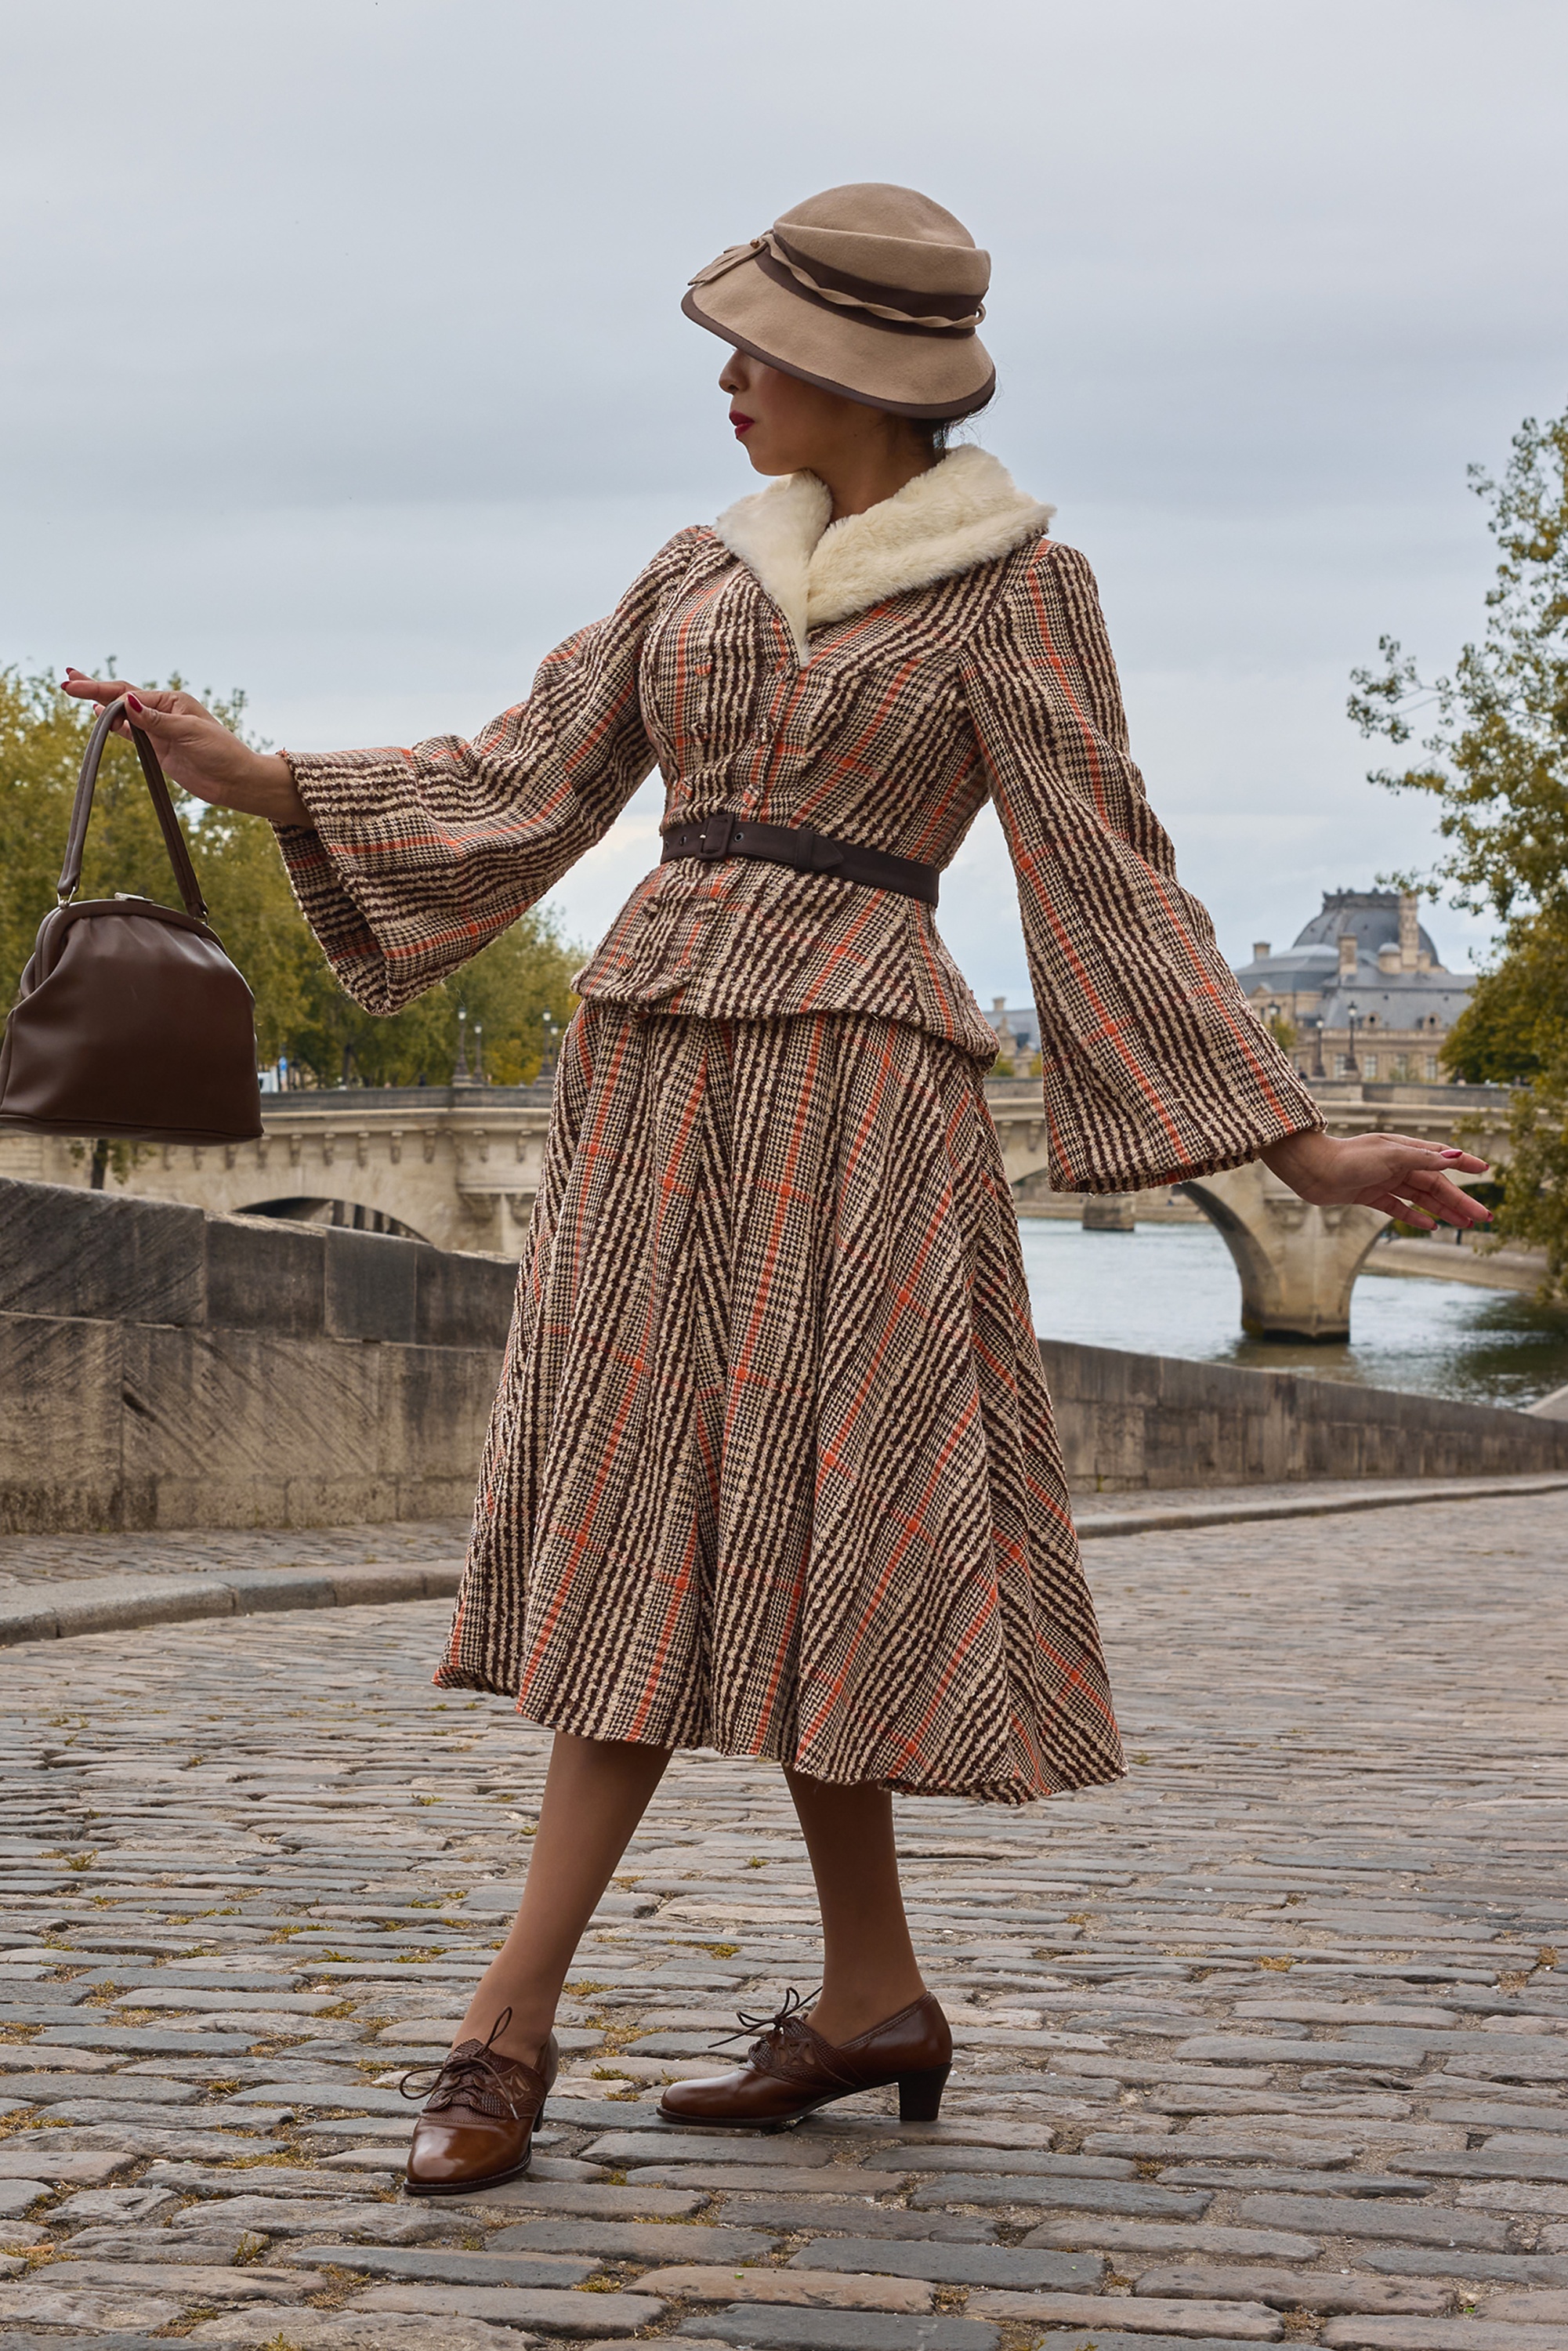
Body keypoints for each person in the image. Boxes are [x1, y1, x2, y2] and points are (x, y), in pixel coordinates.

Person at [64, 181, 1491, 2193]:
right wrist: (249, 772)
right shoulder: (694, 571)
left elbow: (1104, 877)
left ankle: (506, 2029)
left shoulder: (1016, 591)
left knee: (827, 1523)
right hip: (651, 1071)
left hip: (863, 1089)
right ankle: (864, 1997)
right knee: (669, 1515)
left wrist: (1298, 1145)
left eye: (753, 351)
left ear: (850, 376)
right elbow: (515, 784)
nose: (724, 382)